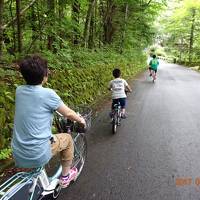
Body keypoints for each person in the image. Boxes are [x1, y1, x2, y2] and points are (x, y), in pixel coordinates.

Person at [11, 55, 86, 188]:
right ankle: (65, 177)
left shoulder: (19, 91)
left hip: (17, 152)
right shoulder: (48, 94)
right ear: (45, 75)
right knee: (67, 139)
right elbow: (68, 113)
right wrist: (81, 120)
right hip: (37, 153)